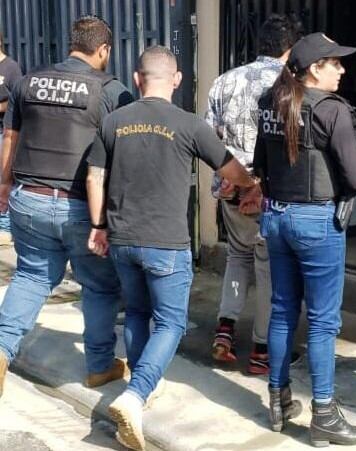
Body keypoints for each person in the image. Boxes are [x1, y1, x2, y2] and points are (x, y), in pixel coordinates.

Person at [86, 45, 260, 451]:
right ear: (177, 79)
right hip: (166, 243)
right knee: (171, 323)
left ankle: (142, 382)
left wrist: (98, 226)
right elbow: (231, 169)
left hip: (122, 239)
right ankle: (135, 395)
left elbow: (95, 177)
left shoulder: (113, 121)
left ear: (136, 79)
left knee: (138, 312)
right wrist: (253, 183)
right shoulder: (190, 125)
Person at [0, 16, 134, 398]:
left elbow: (10, 137)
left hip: (29, 199)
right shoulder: (111, 91)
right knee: (99, 286)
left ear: (72, 43)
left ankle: (1, 351)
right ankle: (99, 367)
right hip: (81, 208)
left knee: (31, 277)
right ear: (103, 49)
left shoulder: (28, 82)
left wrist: (5, 185)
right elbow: (123, 154)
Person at [253, 32, 356, 447]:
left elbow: (260, 163)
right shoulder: (331, 109)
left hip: (276, 217)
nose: (342, 69)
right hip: (316, 220)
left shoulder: (271, 102)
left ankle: (279, 400)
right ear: (314, 68)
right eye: (334, 63)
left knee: (283, 309)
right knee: (323, 320)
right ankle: (323, 415)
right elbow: (355, 176)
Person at [206, 14, 303, 374]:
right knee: (268, 269)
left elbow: (208, 138)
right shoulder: (290, 85)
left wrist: (229, 178)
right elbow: (294, 145)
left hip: (231, 188)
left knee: (237, 255)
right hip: (270, 192)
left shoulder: (224, 81)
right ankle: (262, 350)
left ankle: (225, 329)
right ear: (290, 48)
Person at [0, 30, 22, 241]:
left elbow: (17, 101)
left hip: (3, 132)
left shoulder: (11, 68)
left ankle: (5, 228)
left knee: (4, 177)